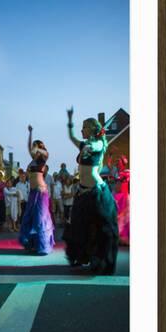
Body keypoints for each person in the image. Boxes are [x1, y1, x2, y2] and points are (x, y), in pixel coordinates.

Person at [64, 107, 118, 274]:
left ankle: (98, 260)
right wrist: (70, 120)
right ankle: (82, 257)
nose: (81, 130)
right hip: (82, 191)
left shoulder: (99, 143)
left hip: (97, 191)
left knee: (100, 229)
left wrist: (89, 147)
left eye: (84, 127)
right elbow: (72, 136)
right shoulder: (83, 144)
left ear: (92, 129)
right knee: (80, 227)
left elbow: (95, 146)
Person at [19, 125, 54, 255]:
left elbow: (45, 152)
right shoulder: (33, 159)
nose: (32, 150)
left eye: (35, 147)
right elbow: (29, 146)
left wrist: (38, 147)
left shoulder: (43, 157)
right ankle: (32, 244)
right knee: (30, 217)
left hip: (40, 190)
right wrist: (30, 133)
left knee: (40, 219)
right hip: (33, 192)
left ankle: (43, 245)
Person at [113, 156, 130, 245]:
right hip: (119, 196)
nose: (118, 164)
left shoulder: (127, 173)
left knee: (124, 216)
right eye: (117, 163)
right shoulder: (117, 172)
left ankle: (124, 238)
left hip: (124, 196)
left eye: (119, 162)